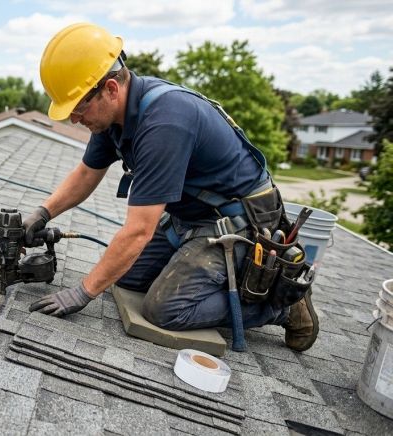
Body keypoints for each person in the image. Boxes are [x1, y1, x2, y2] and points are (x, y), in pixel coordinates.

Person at [24, 23, 318, 351]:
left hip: (237, 226)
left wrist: (81, 293)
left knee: (164, 309)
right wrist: (42, 213)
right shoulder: (111, 119)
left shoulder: (164, 123)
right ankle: (195, 276)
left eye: (78, 108)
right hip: (189, 218)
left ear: (110, 89)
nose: (75, 119)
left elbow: (138, 232)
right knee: (123, 276)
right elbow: (86, 174)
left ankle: (281, 305)